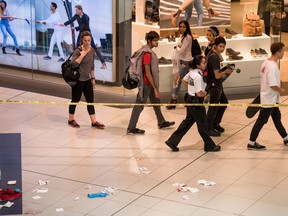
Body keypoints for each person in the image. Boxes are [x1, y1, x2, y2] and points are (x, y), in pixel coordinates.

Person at [165, 55, 221, 152]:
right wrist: (206, 93)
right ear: (198, 64)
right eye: (204, 63)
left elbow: (184, 80)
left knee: (188, 122)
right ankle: (209, 145)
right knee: (203, 124)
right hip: (196, 103)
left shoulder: (192, 72)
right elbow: (200, 93)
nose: (205, 64)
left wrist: (191, 89)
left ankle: (172, 141)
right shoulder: (198, 76)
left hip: (190, 99)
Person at [127, 31, 175, 135]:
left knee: (156, 103)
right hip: (146, 84)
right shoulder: (147, 53)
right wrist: (155, 88)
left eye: (157, 40)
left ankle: (161, 122)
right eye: (155, 40)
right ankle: (131, 128)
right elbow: (148, 73)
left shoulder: (145, 49)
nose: (157, 42)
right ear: (149, 41)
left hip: (149, 84)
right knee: (139, 105)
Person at [247, 42, 288, 150]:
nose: (284, 53)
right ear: (278, 52)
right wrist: (282, 90)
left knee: (276, 118)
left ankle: (286, 138)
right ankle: (251, 142)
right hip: (269, 99)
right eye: (283, 51)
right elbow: (273, 85)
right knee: (261, 120)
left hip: (269, 97)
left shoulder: (266, 62)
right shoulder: (273, 67)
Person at [68, 31, 105, 129]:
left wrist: (93, 78)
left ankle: (94, 121)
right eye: (85, 40)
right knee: (75, 100)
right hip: (78, 80)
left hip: (87, 80)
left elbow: (92, 66)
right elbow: (73, 64)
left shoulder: (92, 51)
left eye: (89, 40)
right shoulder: (78, 50)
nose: (87, 42)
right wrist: (82, 55)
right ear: (82, 40)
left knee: (90, 101)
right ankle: (71, 119)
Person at [62, 5, 107, 69]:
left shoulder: (86, 17)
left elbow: (84, 26)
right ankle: (77, 62)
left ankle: (103, 63)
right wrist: (63, 24)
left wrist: (76, 28)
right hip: (81, 33)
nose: (76, 11)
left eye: (77, 10)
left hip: (87, 33)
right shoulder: (76, 15)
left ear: (80, 10)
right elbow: (71, 20)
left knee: (94, 47)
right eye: (75, 10)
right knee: (78, 46)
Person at [206, 37, 233, 136]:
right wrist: (226, 71)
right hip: (214, 85)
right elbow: (217, 75)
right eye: (220, 46)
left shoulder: (214, 55)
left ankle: (215, 123)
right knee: (213, 107)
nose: (222, 49)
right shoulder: (214, 58)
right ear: (215, 46)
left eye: (223, 47)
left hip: (216, 84)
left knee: (224, 102)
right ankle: (209, 127)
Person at [166, 20, 193, 110]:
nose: (181, 28)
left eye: (183, 27)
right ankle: (190, 99)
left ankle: (174, 100)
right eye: (180, 26)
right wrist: (178, 47)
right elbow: (180, 48)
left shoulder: (188, 37)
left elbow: (181, 50)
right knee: (182, 80)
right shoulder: (182, 36)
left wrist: (176, 47)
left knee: (178, 81)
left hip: (186, 62)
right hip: (181, 60)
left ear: (187, 27)